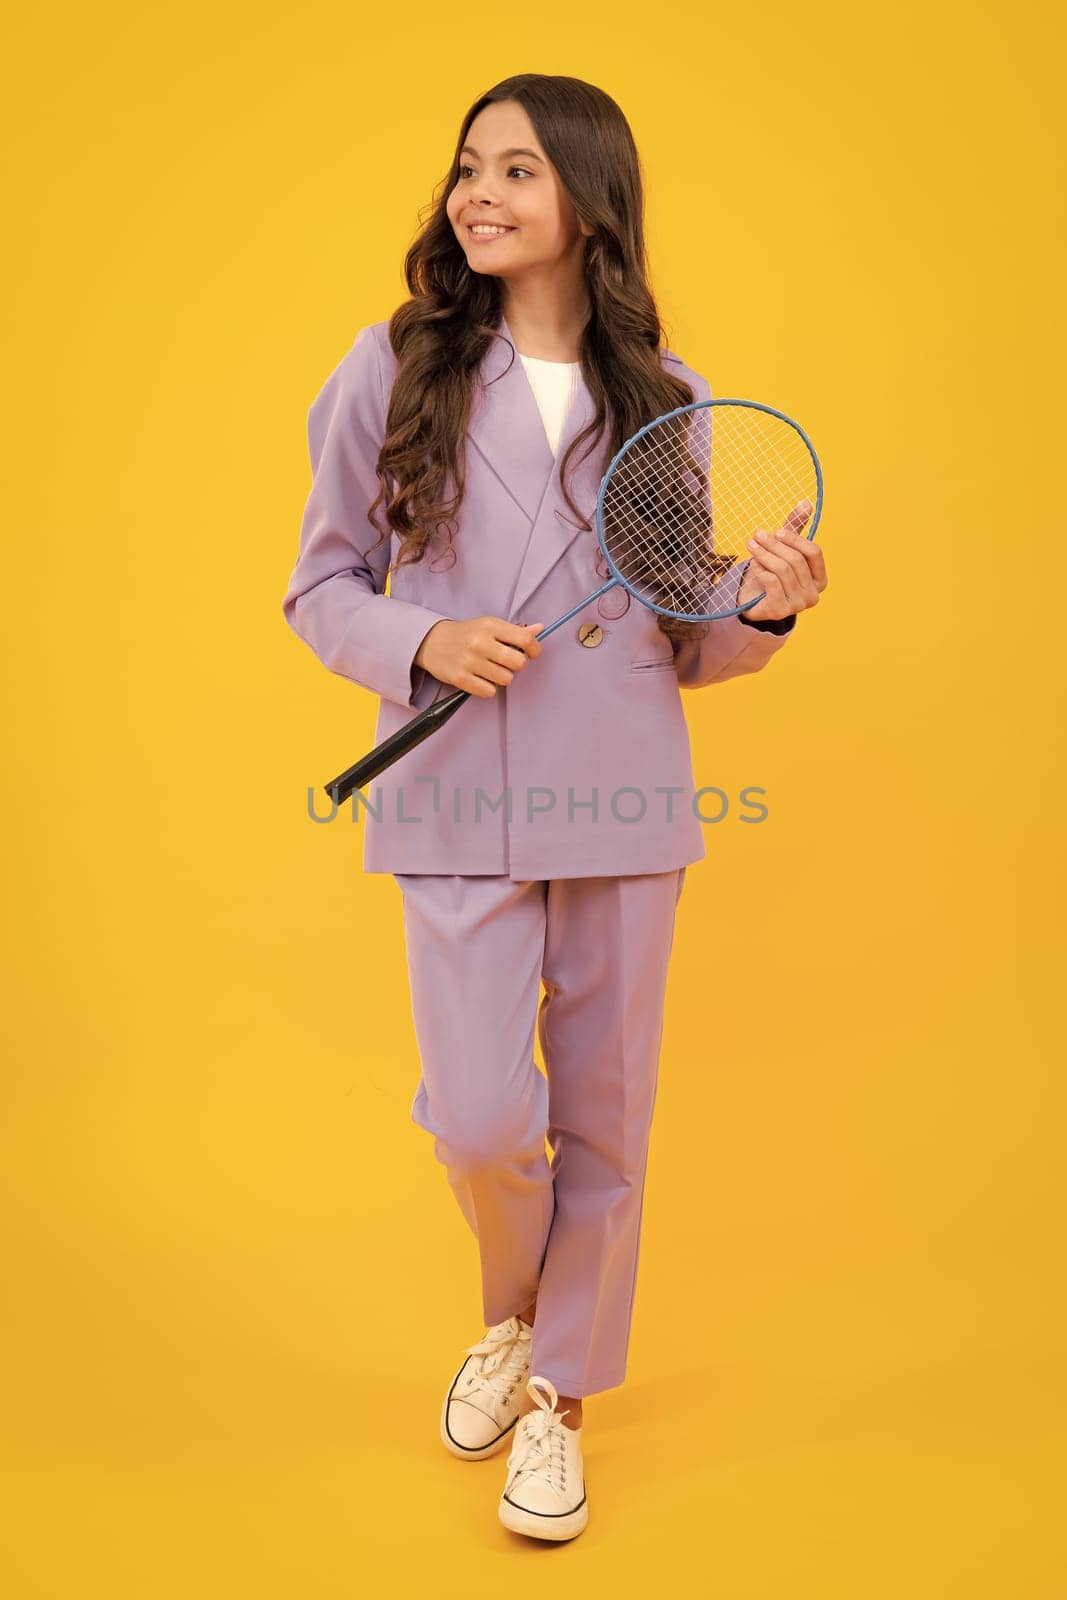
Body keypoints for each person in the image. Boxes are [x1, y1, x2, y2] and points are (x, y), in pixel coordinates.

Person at [282, 72, 827, 1544]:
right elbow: (320, 585)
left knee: (607, 1121)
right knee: (477, 1120)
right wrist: (423, 642)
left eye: (516, 170)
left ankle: (559, 1402)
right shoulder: (391, 367)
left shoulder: (674, 402)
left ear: (590, 199)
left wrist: (764, 612)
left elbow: (682, 637)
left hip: (623, 799)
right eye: (468, 168)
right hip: (452, 792)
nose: (479, 193)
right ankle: (512, 1311)